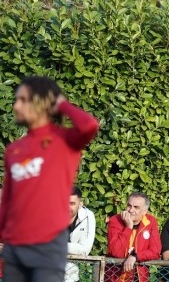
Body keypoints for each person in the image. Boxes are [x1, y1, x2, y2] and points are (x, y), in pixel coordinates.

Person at [0, 76, 99, 282]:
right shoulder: (14, 150)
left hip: (47, 245)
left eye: (23, 99)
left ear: (42, 103)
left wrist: (62, 104)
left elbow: (89, 125)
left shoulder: (64, 140)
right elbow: (7, 202)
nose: (15, 105)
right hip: (14, 247)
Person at [105, 192, 162, 282]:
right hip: (115, 277)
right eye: (129, 205)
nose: (131, 210)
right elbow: (116, 252)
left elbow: (155, 252)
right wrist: (128, 227)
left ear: (144, 211)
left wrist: (135, 256)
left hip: (139, 277)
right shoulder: (115, 220)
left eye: (136, 207)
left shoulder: (151, 222)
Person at [65, 187, 96, 282]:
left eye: (72, 204)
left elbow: (85, 250)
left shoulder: (88, 216)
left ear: (80, 204)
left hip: (71, 274)